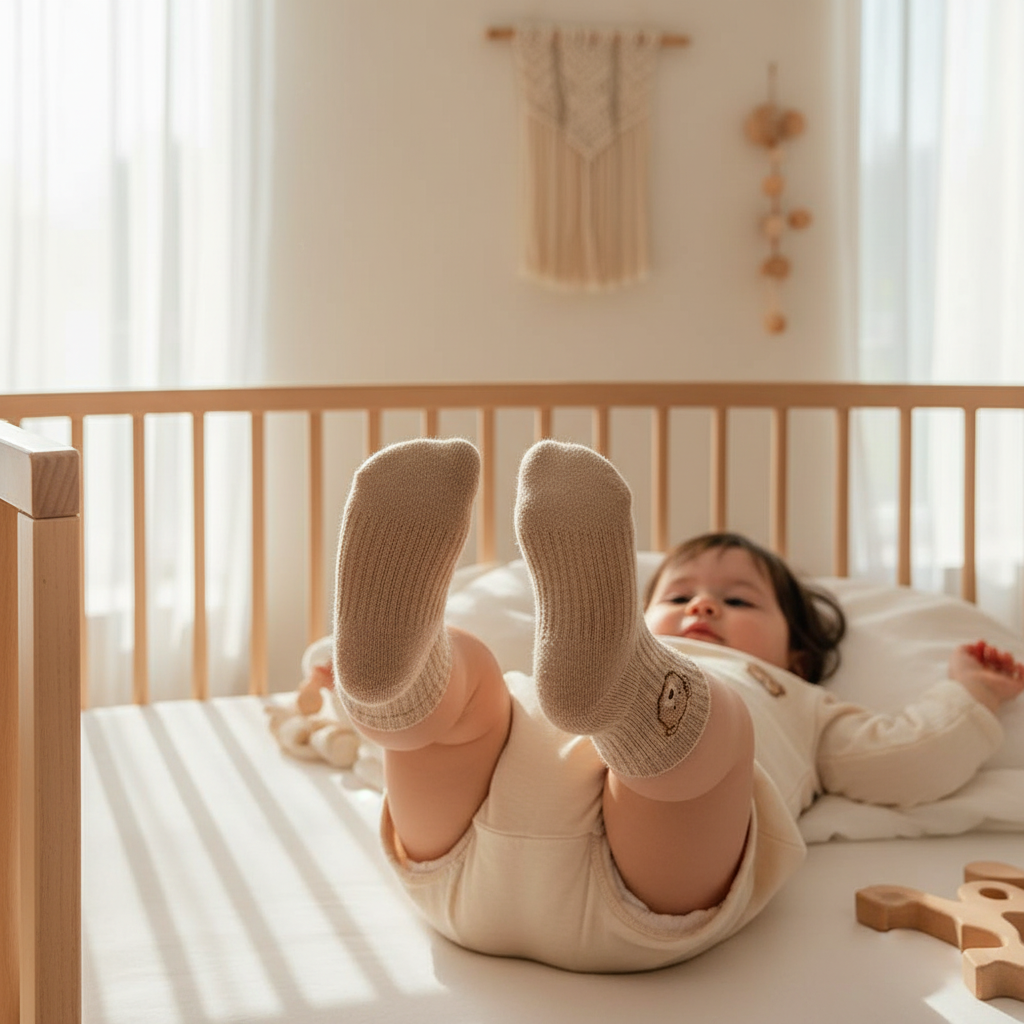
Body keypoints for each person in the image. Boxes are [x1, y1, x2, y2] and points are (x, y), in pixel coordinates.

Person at [332, 437, 1023, 973]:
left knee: (714, 722)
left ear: (798, 658)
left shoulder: (806, 702)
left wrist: (969, 692)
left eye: (740, 600)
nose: (703, 604)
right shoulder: (560, 665)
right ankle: (405, 680)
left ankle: (613, 697)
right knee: (471, 674)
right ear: (618, 613)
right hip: (483, 830)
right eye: (676, 595)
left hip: (578, 887)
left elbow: (903, 761)